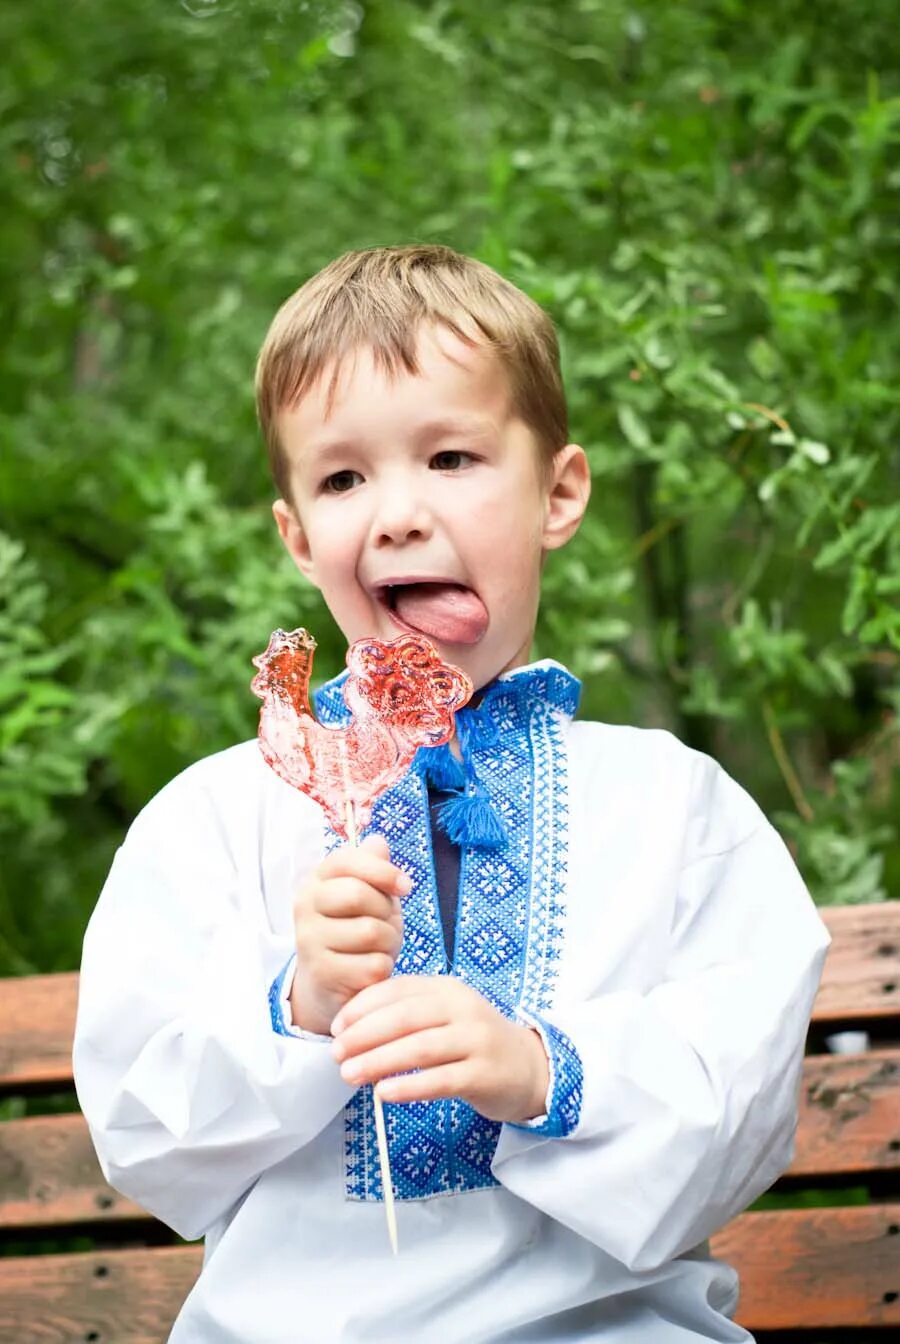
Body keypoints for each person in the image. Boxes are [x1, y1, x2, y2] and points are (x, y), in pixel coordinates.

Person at [73, 244, 831, 1343]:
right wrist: (297, 1009)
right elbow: (143, 1137)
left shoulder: (676, 807)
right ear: (297, 536)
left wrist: (544, 1073)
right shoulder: (215, 818)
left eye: (453, 457)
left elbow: (744, 1102)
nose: (397, 514)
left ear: (557, 494)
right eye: (342, 479)